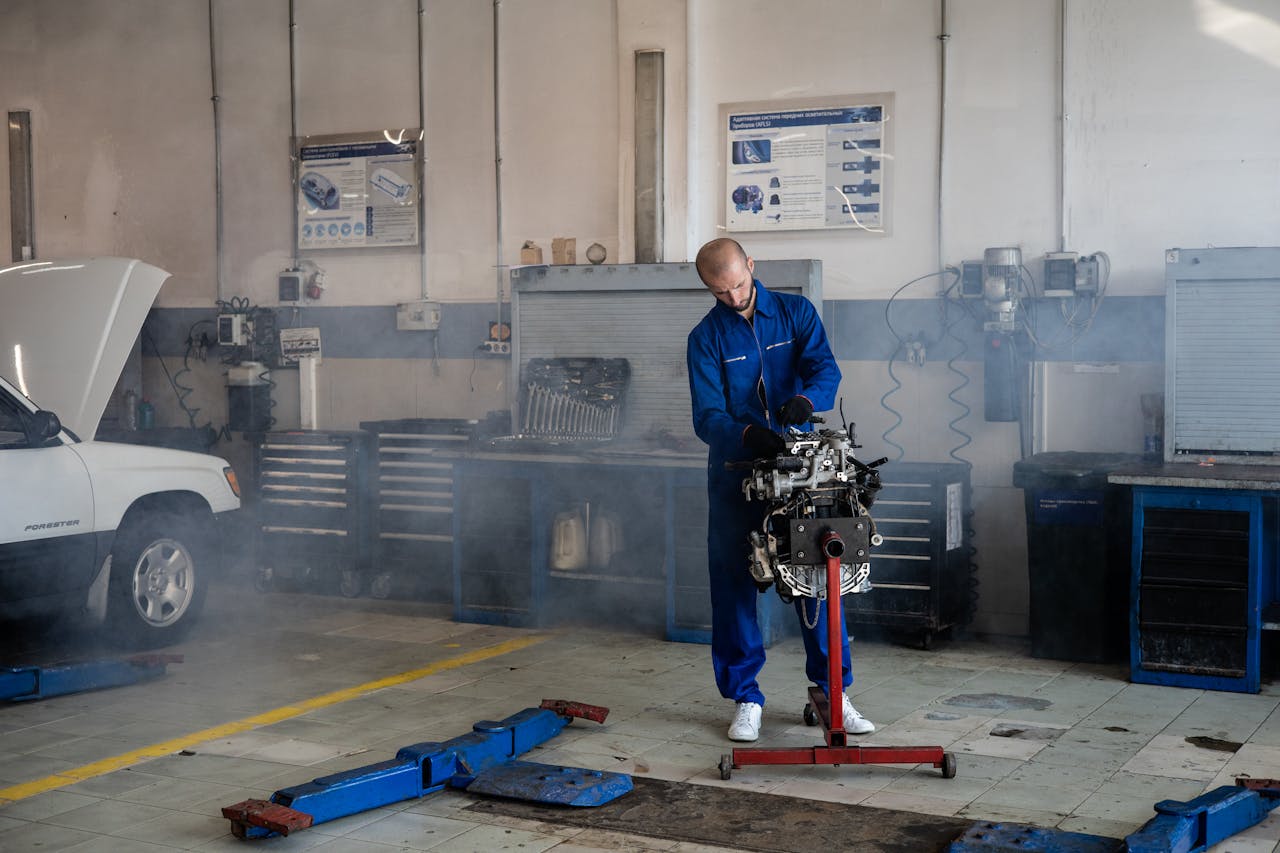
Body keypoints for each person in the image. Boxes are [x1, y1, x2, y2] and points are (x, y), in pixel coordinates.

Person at [686, 237, 874, 743]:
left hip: (803, 472)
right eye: (720, 292)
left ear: (752, 266)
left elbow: (824, 368)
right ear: (708, 287)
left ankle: (835, 690)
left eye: (739, 285)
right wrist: (749, 434)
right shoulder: (704, 339)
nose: (734, 298)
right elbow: (707, 417)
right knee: (734, 589)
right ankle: (746, 698)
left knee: (822, 579)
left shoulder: (795, 313)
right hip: (737, 476)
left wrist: (806, 400)